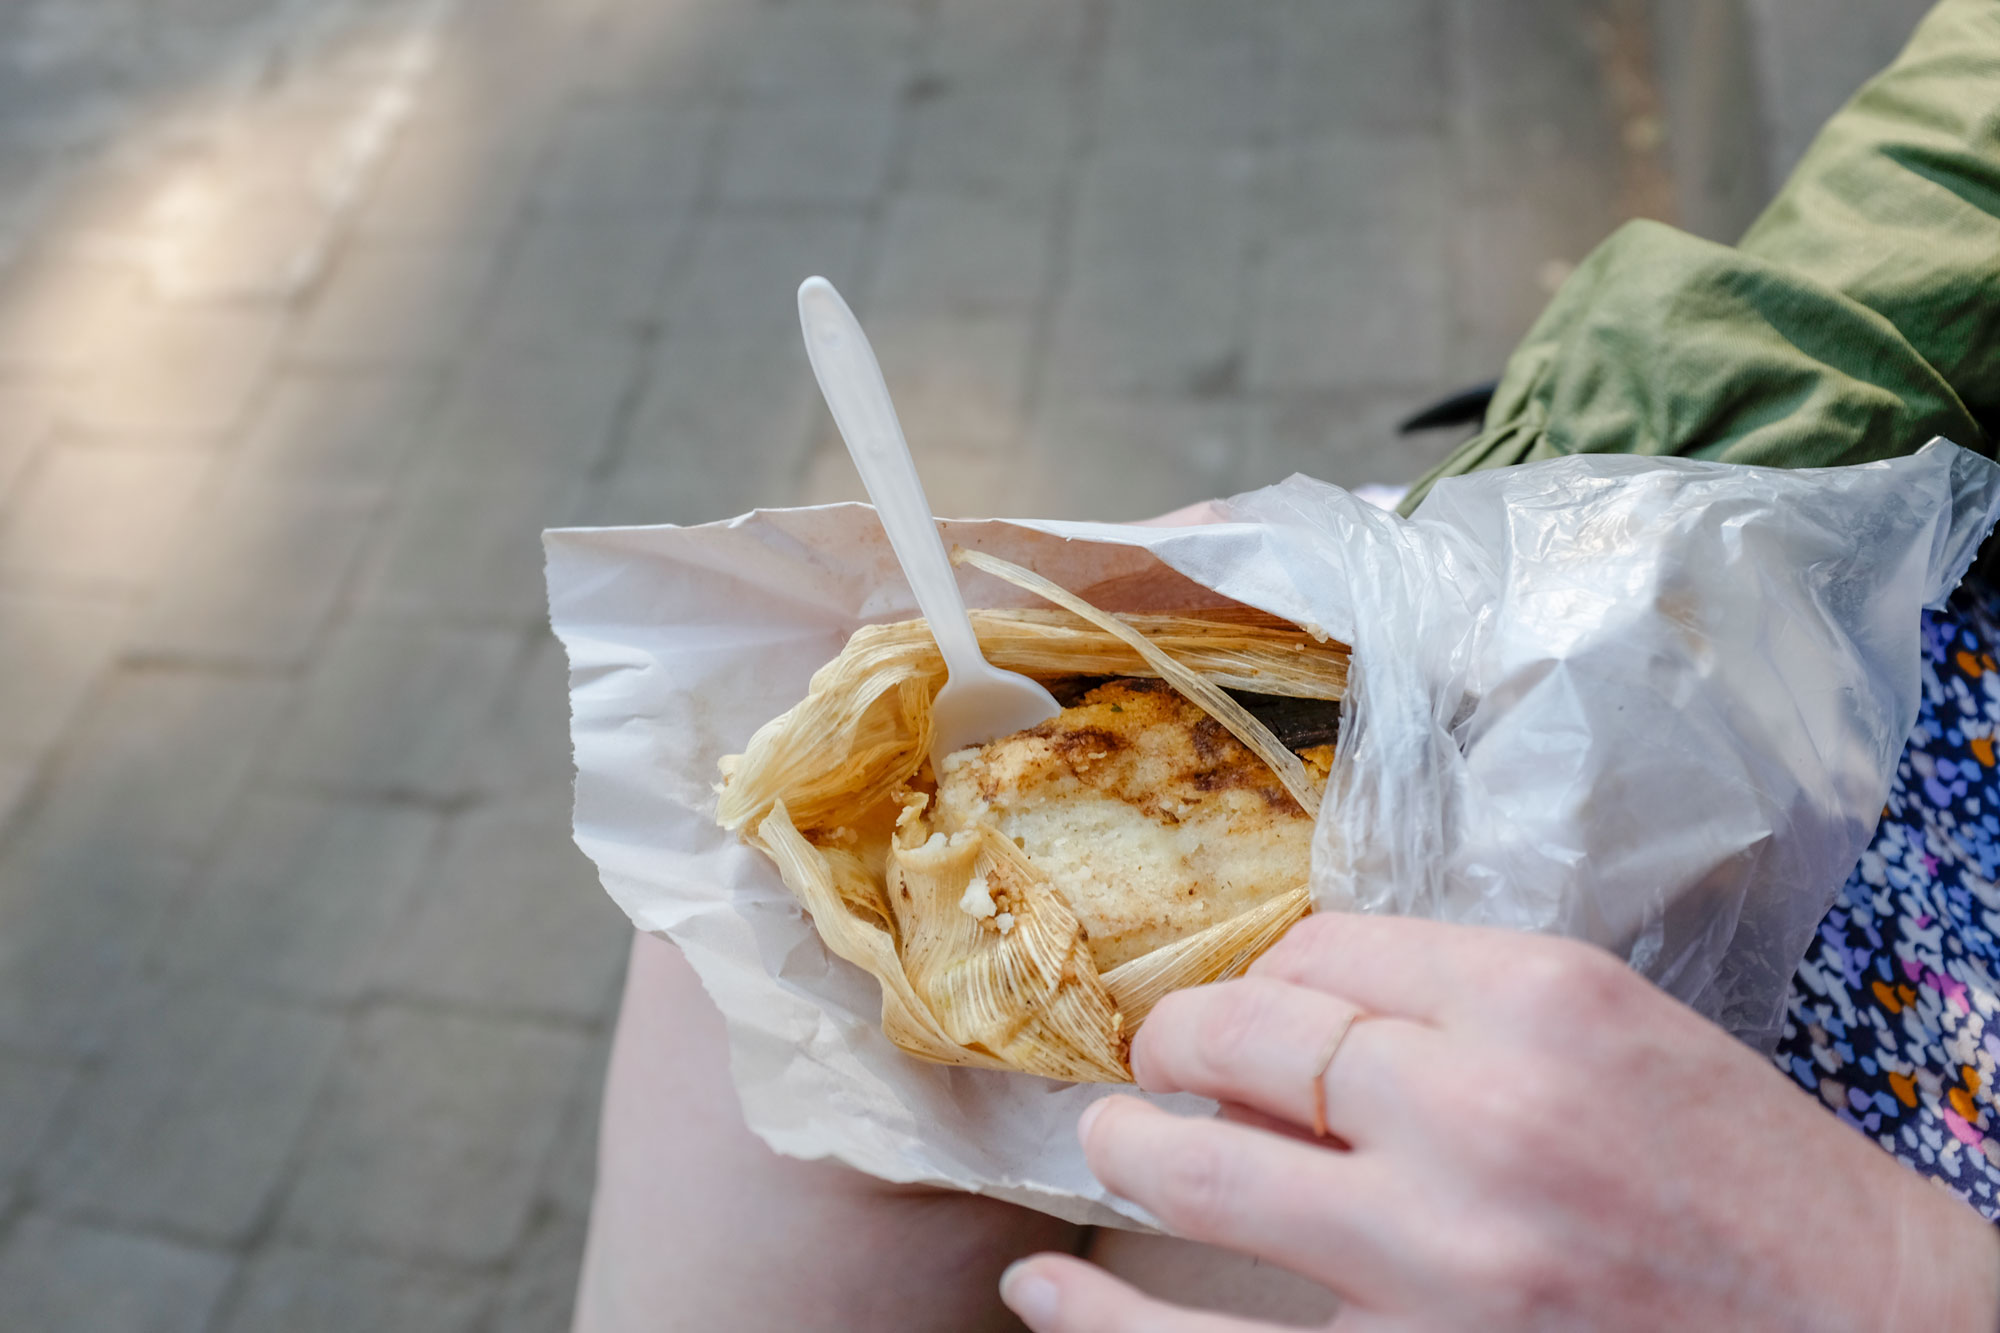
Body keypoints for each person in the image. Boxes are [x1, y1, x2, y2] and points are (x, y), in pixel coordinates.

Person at [572, 1, 2000, 1326]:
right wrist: (1517, 518)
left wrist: (1892, 1277)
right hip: (1791, 627)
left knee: (1215, 1213)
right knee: (744, 938)